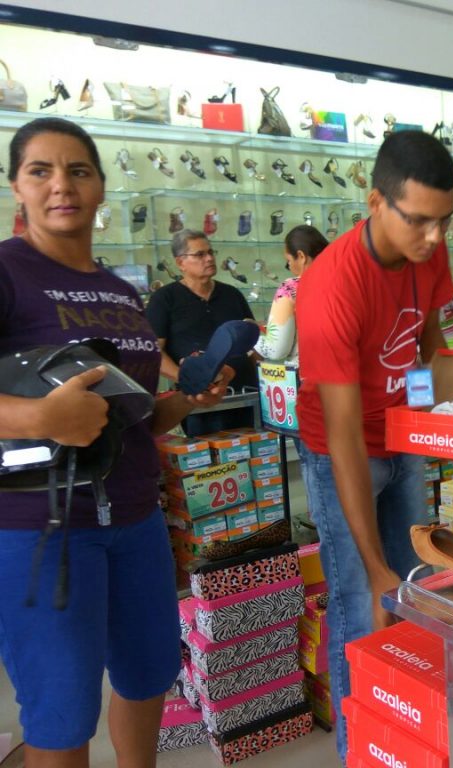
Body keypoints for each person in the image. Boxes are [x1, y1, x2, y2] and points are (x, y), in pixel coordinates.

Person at [0, 117, 231, 767]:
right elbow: (55, 416)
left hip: (135, 519)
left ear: (101, 187)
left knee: (147, 675)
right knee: (62, 710)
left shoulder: (118, 291)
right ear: (16, 185)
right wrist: (39, 418)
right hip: (40, 530)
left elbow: (131, 419)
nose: (60, 185)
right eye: (39, 170)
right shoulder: (8, 272)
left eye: (78, 170)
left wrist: (184, 403)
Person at [294, 130, 453, 758]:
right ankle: (359, 750)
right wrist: (372, 563)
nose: (433, 238)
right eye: (418, 221)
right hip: (341, 450)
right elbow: (341, 441)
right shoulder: (332, 286)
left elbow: (429, 337)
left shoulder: (428, 249)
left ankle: (408, 737)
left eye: (444, 221)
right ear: (374, 202)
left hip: (401, 434)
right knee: (365, 602)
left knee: (414, 587)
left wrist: (444, 409)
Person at [146, 229, 257, 435]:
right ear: (180, 263)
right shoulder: (164, 299)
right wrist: (190, 379)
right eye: (200, 254)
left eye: (211, 252)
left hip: (244, 395)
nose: (209, 258)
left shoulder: (231, 294)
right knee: (212, 465)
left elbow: (252, 343)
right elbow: (154, 352)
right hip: (198, 401)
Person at [253, 224, 329, 365]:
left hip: (308, 375)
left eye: (288, 261)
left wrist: (250, 334)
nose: (289, 268)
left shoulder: (291, 288)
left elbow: (276, 349)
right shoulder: (346, 282)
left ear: (301, 256)